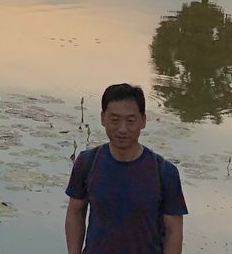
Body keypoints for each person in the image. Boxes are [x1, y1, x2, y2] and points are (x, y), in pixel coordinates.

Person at [65, 83, 186, 254]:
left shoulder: (164, 172)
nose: (122, 129)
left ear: (143, 121)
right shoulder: (87, 162)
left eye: (130, 121)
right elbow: (75, 212)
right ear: (103, 118)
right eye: (115, 120)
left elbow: (173, 229)